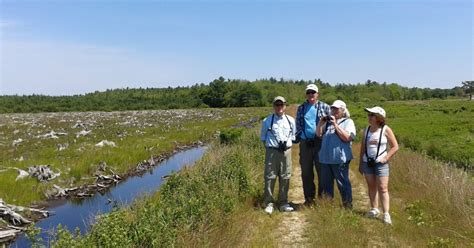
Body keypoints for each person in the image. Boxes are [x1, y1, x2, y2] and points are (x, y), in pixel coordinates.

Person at [359, 106, 399, 224]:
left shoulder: (386, 129)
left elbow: (395, 146)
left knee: (383, 188)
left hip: (381, 163)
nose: (369, 117)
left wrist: (386, 158)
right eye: (369, 115)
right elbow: (363, 147)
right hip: (368, 162)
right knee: (371, 186)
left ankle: (386, 213)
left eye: (372, 115)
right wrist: (361, 163)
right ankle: (374, 209)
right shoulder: (366, 129)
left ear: (379, 118)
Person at [295, 84, 331, 206]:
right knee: (306, 172)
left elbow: (330, 124)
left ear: (317, 94)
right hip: (305, 143)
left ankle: (322, 199)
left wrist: (321, 136)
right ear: (306, 94)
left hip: (320, 142)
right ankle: (309, 199)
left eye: (313, 92)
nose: (311, 95)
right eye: (309, 92)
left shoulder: (325, 107)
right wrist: (303, 136)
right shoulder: (301, 108)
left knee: (322, 171)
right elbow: (298, 125)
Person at [260, 96, 296, 214]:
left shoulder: (291, 120)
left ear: (285, 106)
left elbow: (293, 136)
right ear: (274, 106)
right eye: (277, 105)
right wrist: (272, 147)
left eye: (281, 105)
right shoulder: (267, 120)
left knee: (285, 176)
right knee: (270, 176)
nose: (279, 107)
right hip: (272, 151)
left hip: (286, 151)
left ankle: (283, 202)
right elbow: (263, 138)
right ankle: (269, 202)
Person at [316, 100, 355, 209]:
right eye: (332, 108)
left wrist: (335, 125)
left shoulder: (348, 122)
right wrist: (320, 123)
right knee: (326, 184)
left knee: (342, 183)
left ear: (343, 110)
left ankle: (347, 206)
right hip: (326, 159)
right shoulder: (328, 122)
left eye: (337, 109)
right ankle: (328, 207)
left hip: (339, 159)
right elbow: (318, 134)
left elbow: (347, 138)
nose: (334, 111)